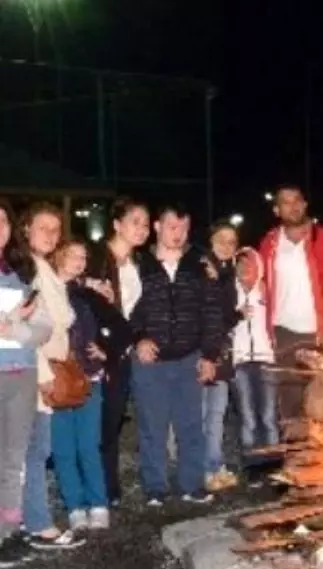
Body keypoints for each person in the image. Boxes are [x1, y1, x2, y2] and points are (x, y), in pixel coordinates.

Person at [129, 204, 225, 505]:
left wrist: (210, 354)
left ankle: (191, 484)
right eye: (172, 226)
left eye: (183, 228)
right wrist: (138, 338)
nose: (178, 234)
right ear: (157, 227)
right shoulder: (137, 262)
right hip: (150, 361)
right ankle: (155, 486)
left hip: (188, 357)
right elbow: (125, 308)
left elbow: (212, 311)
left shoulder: (198, 263)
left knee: (190, 426)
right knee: (152, 427)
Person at [259, 185, 323, 426]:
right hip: (284, 333)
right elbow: (255, 280)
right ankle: (296, 459)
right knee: (289, 402)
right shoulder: (270, 244)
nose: (293, 206)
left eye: (297, 200)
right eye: (285, 202)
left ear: (305, 205)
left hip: (320, 333)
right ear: (276, 209)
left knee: (322, 403)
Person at [51, 240, 131, 531]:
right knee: (63, 447)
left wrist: (106, 349)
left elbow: (122, 327)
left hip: (88, 379)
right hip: (55, 381)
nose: (79, 262)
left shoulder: (87, 295)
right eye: (73, 255)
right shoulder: (42, 289)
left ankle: (98, 503)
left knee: (89, 444)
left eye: (83, 257)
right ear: (58, 256)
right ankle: (74, 506)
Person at [20, 203, 83, 549]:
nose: (50, 235)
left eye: (56, 229)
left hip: (44, 369)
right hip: (31, 371)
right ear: (26, 228)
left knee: (35, 450)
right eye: (42, 227)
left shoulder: (43, 268)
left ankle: (31, 521)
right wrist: (43, 374)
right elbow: (24, 327)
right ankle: (37, 524)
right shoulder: (28, 270)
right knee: (30, 450)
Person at [86, 197, 150, 506]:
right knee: (97, 424)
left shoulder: (138, 263)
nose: (142, 229)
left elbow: (136, 312)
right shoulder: (96, 258)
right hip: (99, 352)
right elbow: (79, 298)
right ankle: (98, 491)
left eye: (146, 223)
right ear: (116, 224)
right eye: (135, 221)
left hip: (121, 353)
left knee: (111, 422)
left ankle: (108, 489)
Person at [0, 200, 53, 566]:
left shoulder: (20, 272)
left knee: (13, 459)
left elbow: (45, 327)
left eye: (1, 219)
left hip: (21, 373)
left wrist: (14, 326)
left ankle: (8, 531)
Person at [229, 247, 279, 484]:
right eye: (239, 265)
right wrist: (234, 314)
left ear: (258, 266)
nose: (244, 269)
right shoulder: (230, 293)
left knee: (268, 415)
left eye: (249, 264)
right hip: (240, 361)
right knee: (248, 417)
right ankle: (253, 467)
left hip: (266, 359)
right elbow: (221, 322)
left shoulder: (267, 291)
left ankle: (274, 466)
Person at [202, 222, 240, 492]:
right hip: (205, 351)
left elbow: (226, 315)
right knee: (203, 413)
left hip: (223, 350)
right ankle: (203, 469)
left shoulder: (227, 273)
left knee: (217, 413)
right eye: (221, 239)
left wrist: (238, 315)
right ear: (210, 241)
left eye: (232, 241)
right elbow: (206, 314)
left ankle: (215, 464)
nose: (227, 246)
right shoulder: (203, 270)